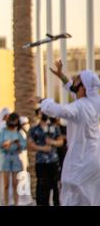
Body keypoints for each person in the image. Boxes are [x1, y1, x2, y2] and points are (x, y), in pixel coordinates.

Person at [36, 60, 100, 206]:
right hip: (95, 160)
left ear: (83, 87)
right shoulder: (95, 102)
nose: (73, 80)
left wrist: (43, 101)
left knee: (71, 197)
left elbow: (59, 110)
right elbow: (74, 89)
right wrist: (61, 76)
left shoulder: (78, 107)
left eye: (77, 79)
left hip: (81, 161)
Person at [28, 109, 64, 206]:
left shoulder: (54, 128)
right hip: (41, 162)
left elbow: (60, 141)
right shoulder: (34, 129)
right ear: (38, 115)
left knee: (55, 185)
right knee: (42, 186)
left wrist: (52, 142)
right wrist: (42, 148)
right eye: (41, 112)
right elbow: (30, 145)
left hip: (53, 161)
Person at [0, 112, 27, 206]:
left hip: (15, 157)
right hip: (5, 157)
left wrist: (18, 144)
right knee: (6, 184)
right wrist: (5, 144)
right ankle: (6, 203)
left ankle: (16, 203)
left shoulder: (18, 132)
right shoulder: (2, 131)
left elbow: (24, 145)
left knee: (15, 183)